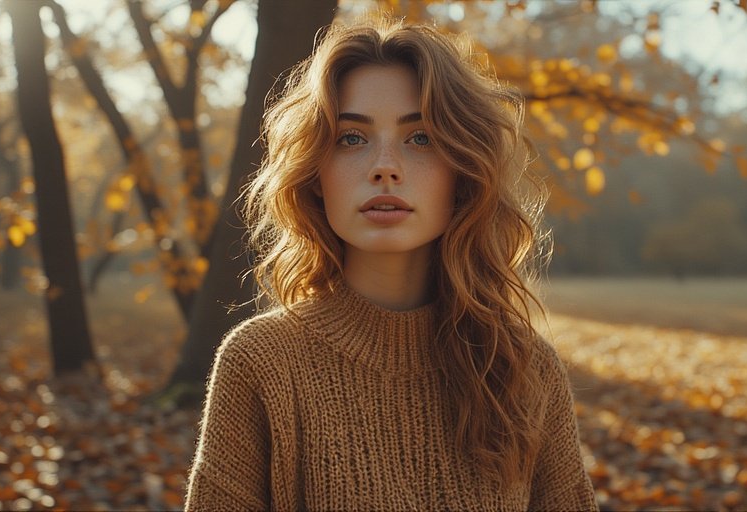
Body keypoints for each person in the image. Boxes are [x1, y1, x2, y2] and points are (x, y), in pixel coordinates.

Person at [185, 15, 597, 511]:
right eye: (351, 138)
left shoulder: (523, 368)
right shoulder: (261, 363)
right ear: (316, 172)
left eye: (420, 137)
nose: (385, 166)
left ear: (463, 171)